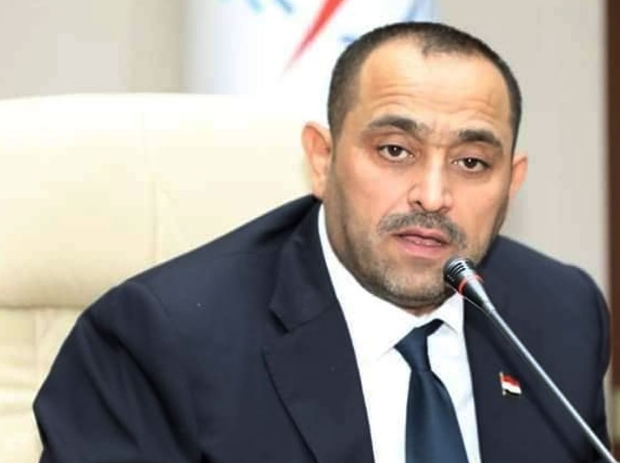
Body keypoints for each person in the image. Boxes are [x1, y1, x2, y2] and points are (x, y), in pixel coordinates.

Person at [34, 21, 610, 463]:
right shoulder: (157, 341)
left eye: (471, 162)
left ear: (511, 182)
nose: (433, 196)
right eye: (395, 151)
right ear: (321, 159)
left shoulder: (562, 316)